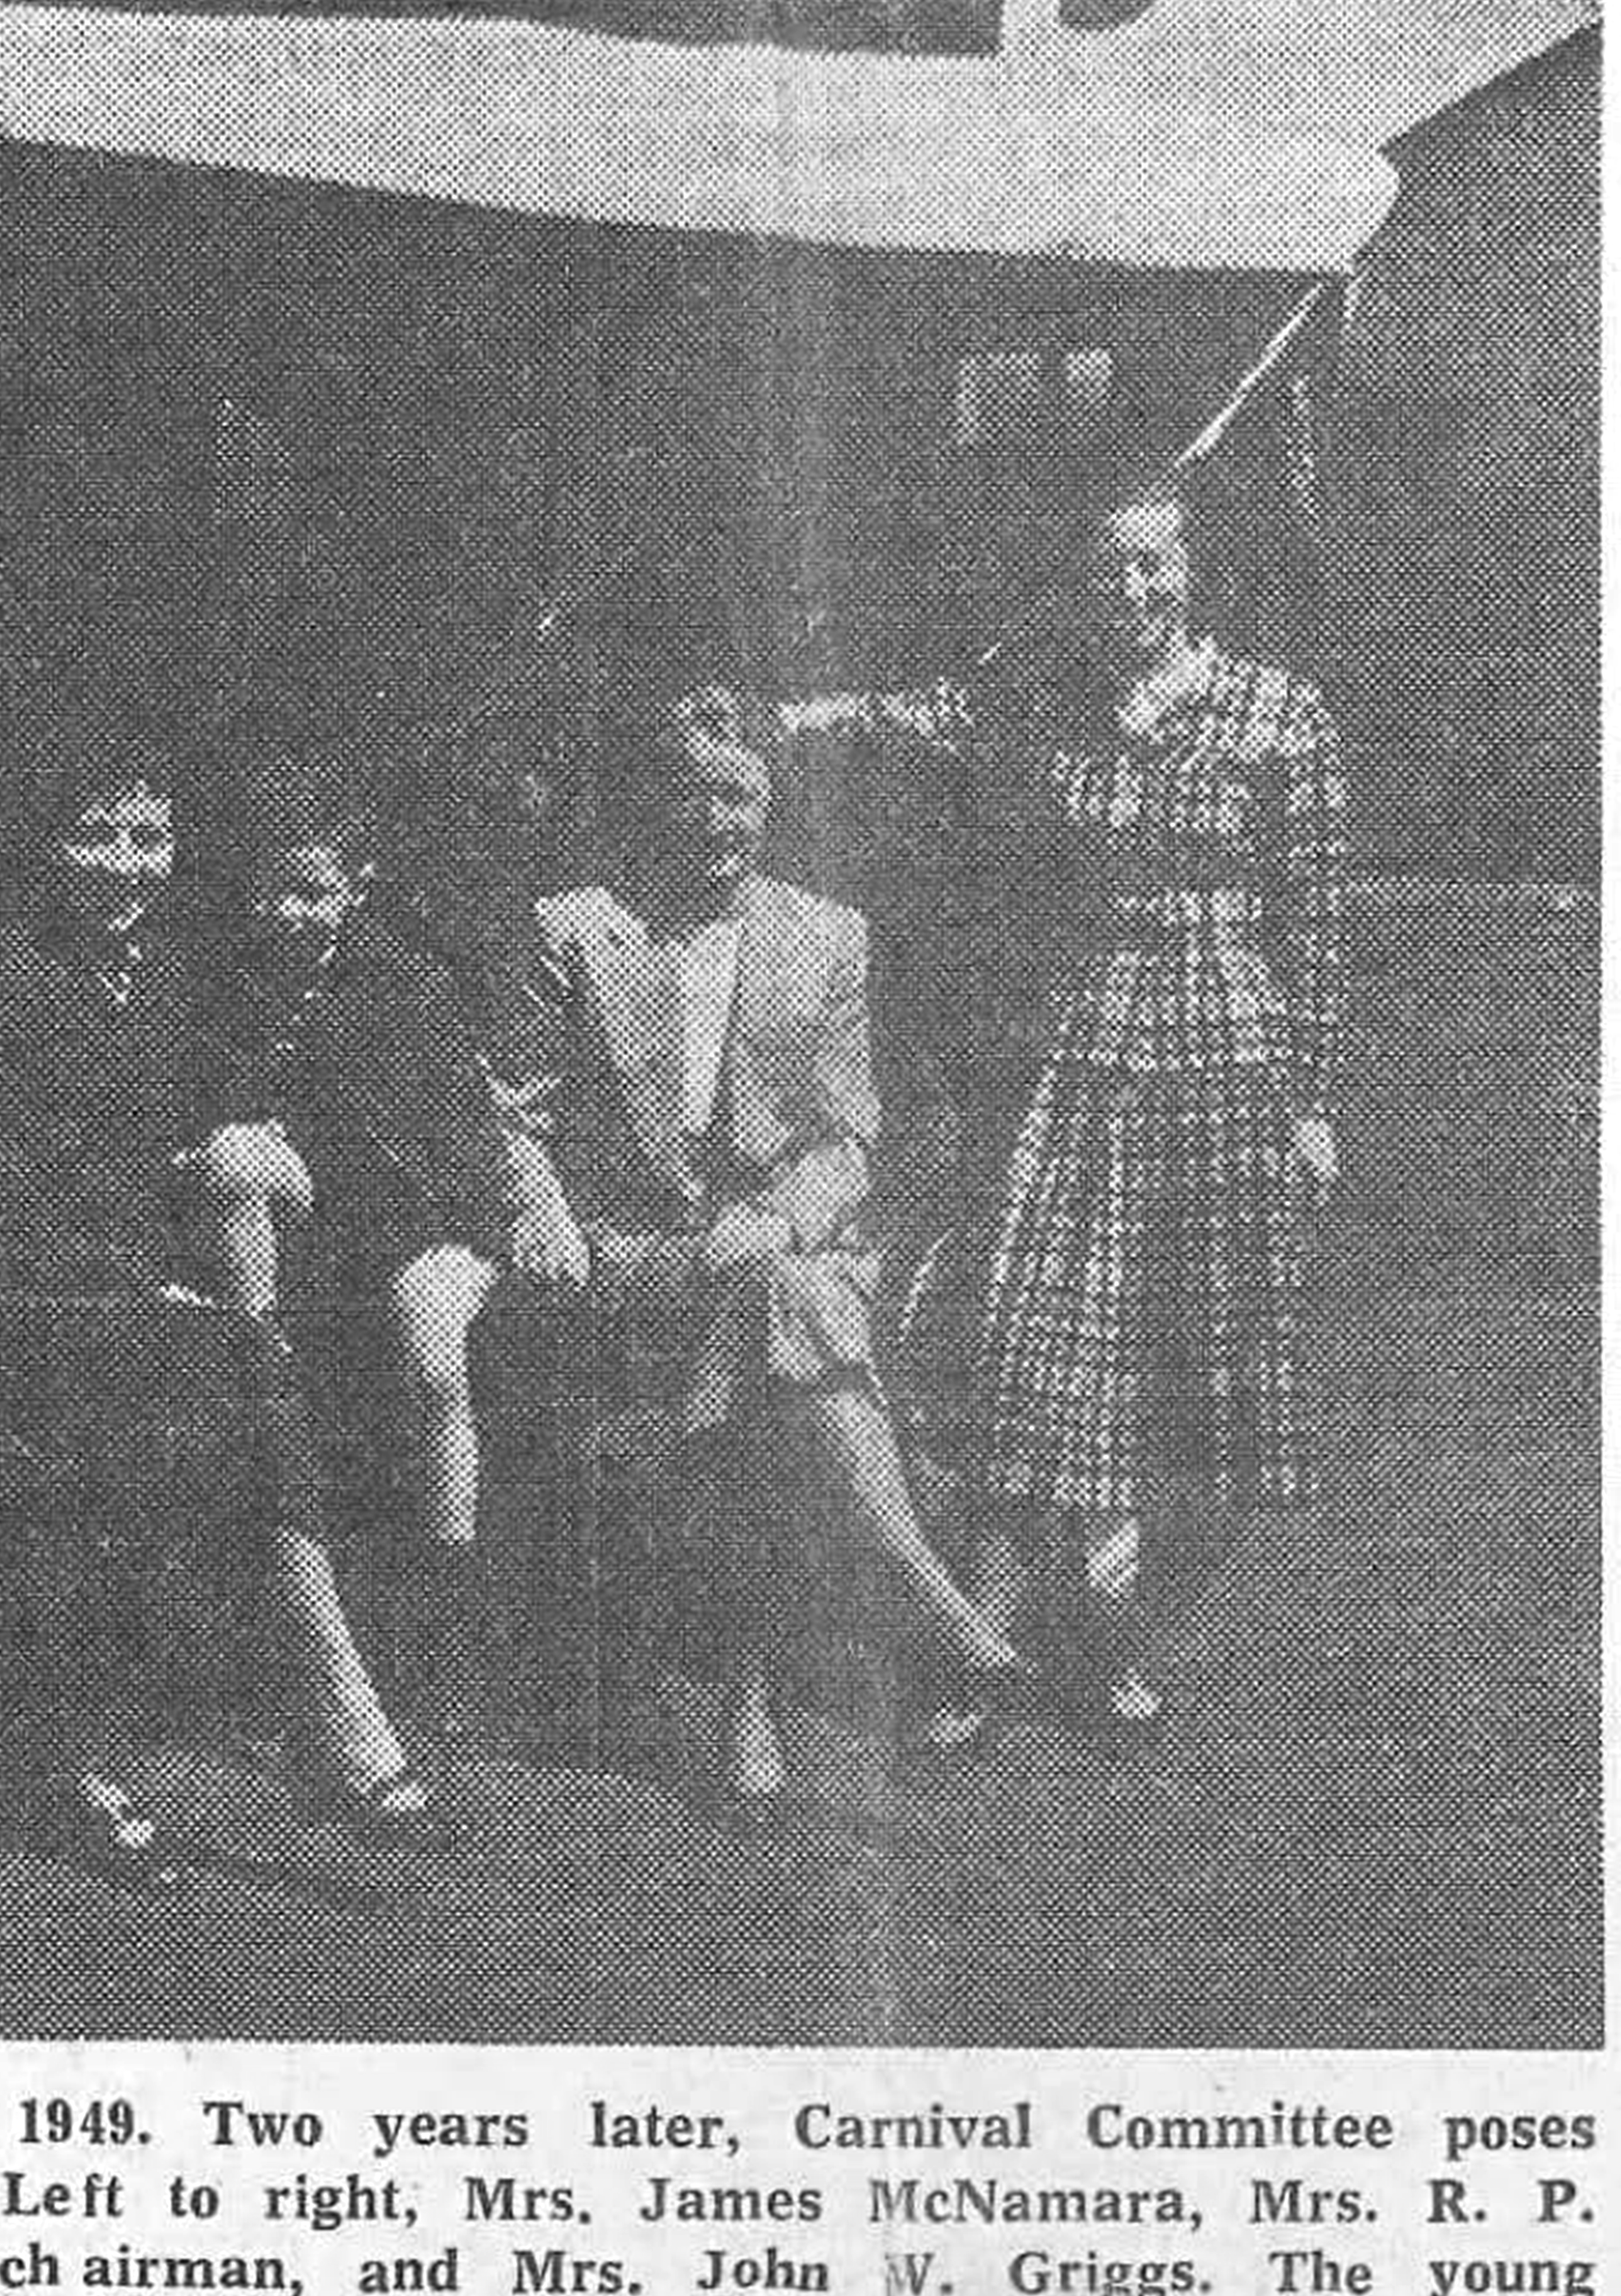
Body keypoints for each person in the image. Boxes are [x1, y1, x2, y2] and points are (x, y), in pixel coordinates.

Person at [780, 472, 1348, 1749]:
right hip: (1085, 1043)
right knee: (1042, 1361)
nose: (1132, 594)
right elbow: (913, 716)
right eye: (1106, 573)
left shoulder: (1280, 714)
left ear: (1194, 569)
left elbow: (1311, 927)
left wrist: (1313, 1107)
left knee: (1217, 1383)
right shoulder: (1041, 706)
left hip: (1236, 1054)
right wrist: (793, 717)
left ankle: (1115, 1648)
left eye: (1153, 567)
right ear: (1077, 586)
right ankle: (1003, 1650)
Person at [507, 683, 1021, 1828]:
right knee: (784, 1312)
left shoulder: (826, 935)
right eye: (687, 796)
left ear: (770, 804)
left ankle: (747, 1699)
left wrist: (784, 1217)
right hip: (628, 1244)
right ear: (646, 800)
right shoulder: (577, 929)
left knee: (772, 1296)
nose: (713, 823)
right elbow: (517, 1116)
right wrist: (540, 1209)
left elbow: (847, 1139)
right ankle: (937, 1615)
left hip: (772, 1245)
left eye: (737, 797)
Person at [0, 734, 447, 1861]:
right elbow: (3, 1162)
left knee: (248, 1382)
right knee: (194, 1387)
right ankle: (106, 1755)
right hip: (34, 1284)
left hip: (158, 1275)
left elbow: (236, 1120)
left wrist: (232, 1166)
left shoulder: (188, 979)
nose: (124, 866)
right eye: (97, 837)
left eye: (149, 840)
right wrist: (166, 1213)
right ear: (50, 846)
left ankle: (343, 1721)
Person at [183, 759, 545, 1777]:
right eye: (269, 890)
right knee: (241, 1157)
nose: (286, 912)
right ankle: (256, 1343)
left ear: (356, 885)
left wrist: (468, 1243)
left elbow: (461, 1140)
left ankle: (448, 1611)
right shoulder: (227, 986)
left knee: (434, 1357)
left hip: (422, 1223)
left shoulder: (403, 987)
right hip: (310, 1225)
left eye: (311, 892)